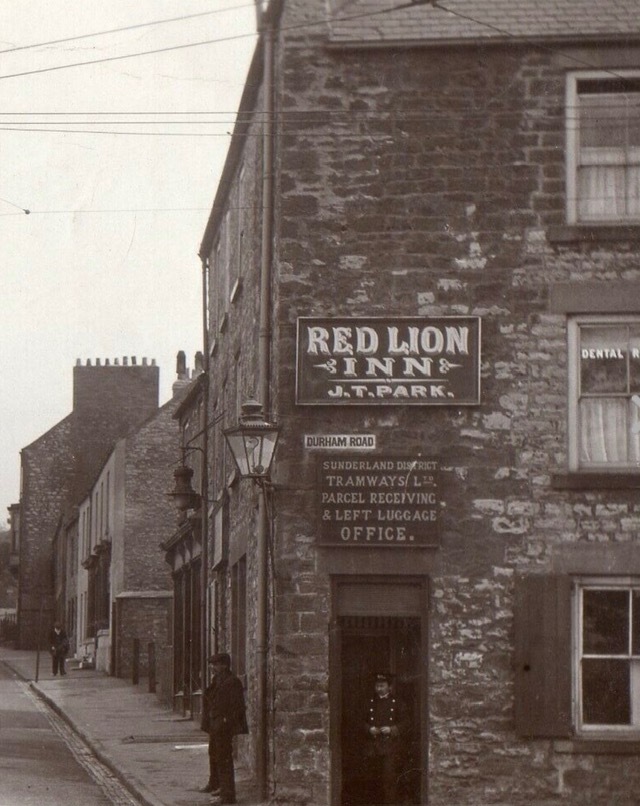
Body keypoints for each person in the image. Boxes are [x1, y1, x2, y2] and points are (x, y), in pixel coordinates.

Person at [200, 652, 248, 805]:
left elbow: (237, 707)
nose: (212, 667)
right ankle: (216, 784)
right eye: (211, 664)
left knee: (224, 759)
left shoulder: (232, 682)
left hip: (223, 727)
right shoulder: (219, 680)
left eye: (215, 665)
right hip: (216, 725)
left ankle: (227, 796)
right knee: (214, 753)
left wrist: (226, 722)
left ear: (224, 666)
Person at [364, 672, 406, 805]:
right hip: (373, 746)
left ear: (389, 687)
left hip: (390, 747)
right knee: (372, 779)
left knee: (389, 779)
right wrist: (369, 729)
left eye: (382, 686)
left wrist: (392, 729)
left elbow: (407, 722)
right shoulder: (369, 702)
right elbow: (358, 720)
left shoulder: (398, 702)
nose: (379, 689)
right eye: (377, 686)